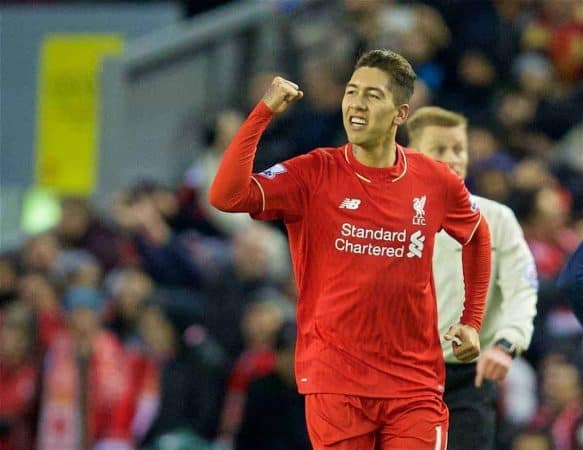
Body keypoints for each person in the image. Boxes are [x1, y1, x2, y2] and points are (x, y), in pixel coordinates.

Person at [209, 49, 492, 449]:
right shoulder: (313, 172)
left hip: (414, 383)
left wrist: (472, 320)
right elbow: (227, 195)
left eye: (373, 95)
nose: (356, 104)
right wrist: (263, 114)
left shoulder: (434, 180)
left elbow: (478, 234)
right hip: (335, 382)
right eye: (351, 92)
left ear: (400, 113)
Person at [406, 106, 538, 450]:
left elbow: (522, 288)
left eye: (459, 148)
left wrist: (507, 342)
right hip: (398, 377)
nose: (453, 158)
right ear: (411, 155)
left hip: (468, 379)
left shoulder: (498, 219)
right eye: (440, 149)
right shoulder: (387, 218)